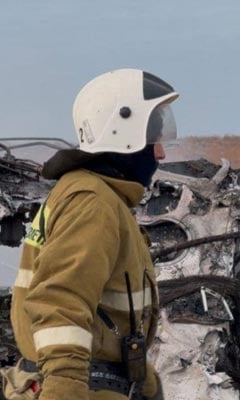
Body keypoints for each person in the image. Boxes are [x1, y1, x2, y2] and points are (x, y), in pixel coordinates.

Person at [6, 69, 178, 399]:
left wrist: (143, 380)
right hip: (83, 387)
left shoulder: (95, 195)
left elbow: (107, 318)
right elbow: (60, 301)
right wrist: (64, 390)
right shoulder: (93, 202)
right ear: (123, 131)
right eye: (154, 139)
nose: (161, 154)